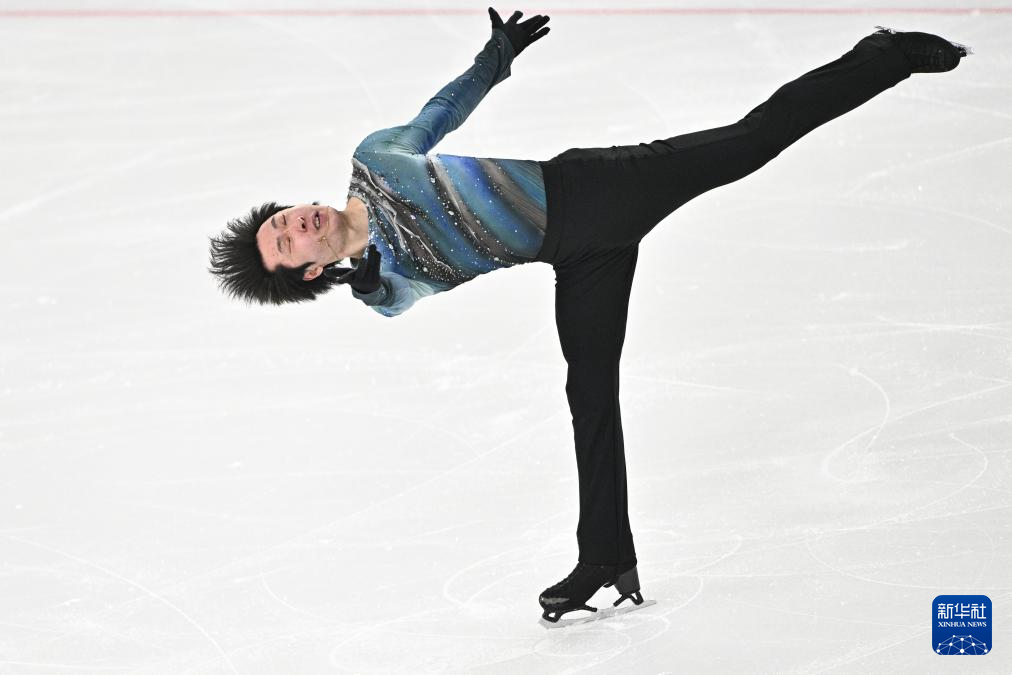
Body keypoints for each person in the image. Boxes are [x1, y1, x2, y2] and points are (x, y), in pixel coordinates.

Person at [207, 8, 971, 627]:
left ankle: (884, 56)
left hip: (593, 190)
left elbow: (437, 114)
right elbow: (392, 298)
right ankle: (605, 556)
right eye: (286, 242)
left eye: (282, 218)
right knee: (590, 395)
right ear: (309, 272)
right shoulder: (386, 282)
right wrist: (370, 276)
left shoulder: (374, 161)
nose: (294, 222)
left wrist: (495, 58)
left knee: (750, 141)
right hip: (576, 261)